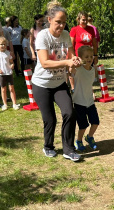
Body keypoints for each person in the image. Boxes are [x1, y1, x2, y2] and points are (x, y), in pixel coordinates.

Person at [31, 0, 82, 161]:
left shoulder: (66, 35)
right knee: (50, 119)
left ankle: (68, 149)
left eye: (64, 22)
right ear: (49, 20)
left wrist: (74, 61)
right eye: (58, 22)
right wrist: (67, 62)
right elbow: (45, 63)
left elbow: (71, 55)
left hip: (60, 84)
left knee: (69, 112)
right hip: (41, 84)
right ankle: (48, 146)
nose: (61, 26)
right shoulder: (42, 37)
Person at [72, 46, 99, 152]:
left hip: (89, 101)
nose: (89, 59)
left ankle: (89, 137)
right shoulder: (78, 69)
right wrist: (74, 62)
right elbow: (70, 71)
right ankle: (78, 140)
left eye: (91, 56)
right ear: (81, 57)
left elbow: (89, 84)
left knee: (95, 122)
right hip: (79, 102)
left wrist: (92, 93)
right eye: (86, 56)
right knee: (83, 126)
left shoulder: (93, 70)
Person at [69, 11, 98, 92]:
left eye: (86, 20)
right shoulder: (74, 29)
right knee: (76, 73)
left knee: (87, 73)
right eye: (83, 20)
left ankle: (89, 89)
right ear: (78, 19)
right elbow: (70, 44)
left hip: (88, 56)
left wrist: (95, 55)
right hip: (78, 56)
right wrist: (72, 56)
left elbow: (94, 44)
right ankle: (74, 88)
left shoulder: (91, 29)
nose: (85, 22)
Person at [0, 37, 20, 111]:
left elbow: (11, 62)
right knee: (3, 89)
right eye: (1, 44)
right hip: (0, 74)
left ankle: (14, 103)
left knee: (11, 88)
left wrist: (12, 65)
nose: (3, 46)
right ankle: (5, 104)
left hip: (9, 73)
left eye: (4, 44)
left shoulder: (8, 53)